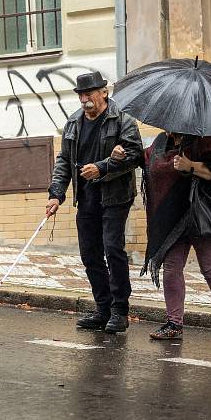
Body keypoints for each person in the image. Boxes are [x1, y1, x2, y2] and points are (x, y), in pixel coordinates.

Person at [46, 71, 144, 334]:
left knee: (113, 249)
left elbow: (135, 155)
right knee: (90, 254)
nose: (84, 98)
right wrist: (56, 193)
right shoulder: (74, 123)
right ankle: (103, 308)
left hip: (115, 197)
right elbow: (64, 161)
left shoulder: (122, 119)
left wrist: (103, 167)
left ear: (104, 92)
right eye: (81, 94)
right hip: (86, 197)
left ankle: (120, 311)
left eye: (89, 93)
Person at [132, 132, 211, 342]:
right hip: (172, 220)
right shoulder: (161, 142)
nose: (166, 127)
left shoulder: (205, 139)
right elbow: (146, 159)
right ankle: (174, 323)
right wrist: (125, 156)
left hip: (200, 216)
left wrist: (190, 165)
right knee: (172, 269)